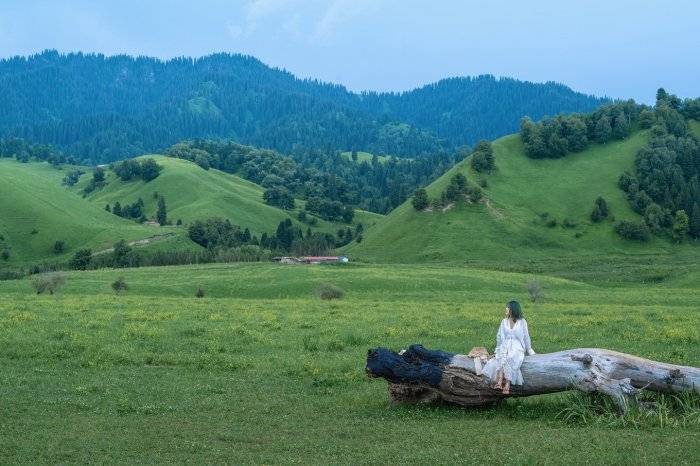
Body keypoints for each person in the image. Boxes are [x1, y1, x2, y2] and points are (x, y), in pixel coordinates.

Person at [481, 300, 536, 394]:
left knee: (511, 357)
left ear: (513, 309)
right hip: (505, 344)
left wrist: (529, 350)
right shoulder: (504, 321)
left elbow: (526, 337)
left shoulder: (522, 322)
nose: (506, 309)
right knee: (501, 356)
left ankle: (507, 384)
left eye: (508, 307)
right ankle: (499, 381)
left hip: (517, 346)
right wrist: (497, 349)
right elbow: (499, 336)